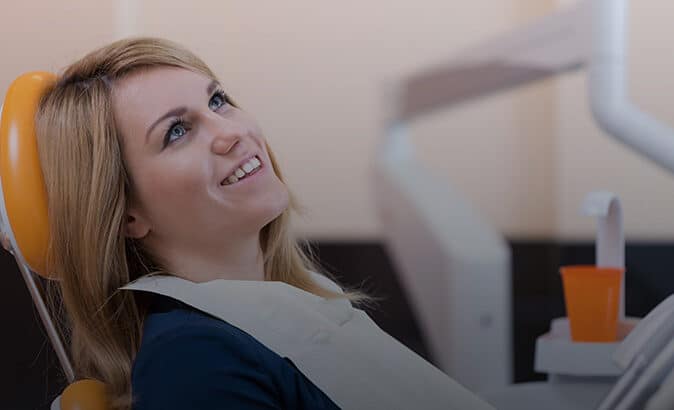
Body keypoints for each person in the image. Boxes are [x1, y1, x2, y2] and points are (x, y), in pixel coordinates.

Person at [3, 37, 493, 410]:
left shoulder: (294, 305)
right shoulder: (195, 362)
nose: (232, 132)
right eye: (177, 131)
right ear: (128, 213)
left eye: (218, 101)